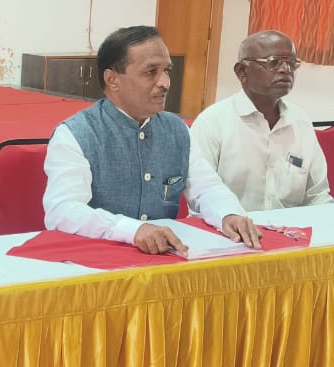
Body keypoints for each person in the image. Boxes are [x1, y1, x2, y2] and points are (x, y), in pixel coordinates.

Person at [42, 25, 260, 257]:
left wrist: (228, 213)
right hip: (96, 262)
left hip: (163, 260)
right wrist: (132, 230)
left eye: (167, 71)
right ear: (112, 80)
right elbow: (62, 210)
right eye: (150, 72)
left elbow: (206, 187)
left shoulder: (176, 129)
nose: (165, 82)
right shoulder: (76, 134)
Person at [190, 31, 331, 210]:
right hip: (226, 226)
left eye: (291, 63)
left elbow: (317, 196)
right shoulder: (213, 122)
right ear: (242, 71)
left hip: (289, 227)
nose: (285, 69)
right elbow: (200, 195)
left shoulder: (300, 122)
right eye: (273, 62)